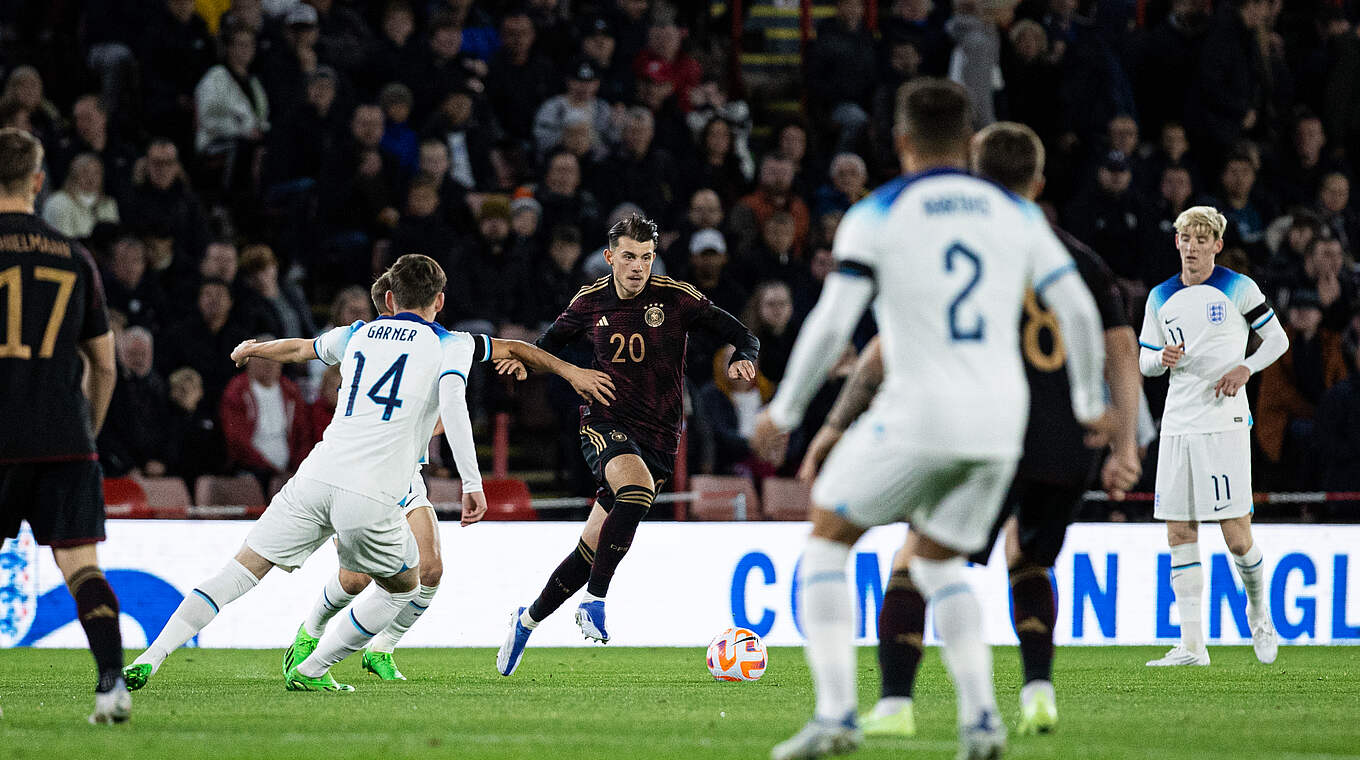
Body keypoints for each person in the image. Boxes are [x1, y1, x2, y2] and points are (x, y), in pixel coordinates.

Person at [749, 80, 1110, 760]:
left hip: (919, 414)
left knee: (827, 539)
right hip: (1001, 425)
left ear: (901, 141)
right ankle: (981, 720)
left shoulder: (877, 213)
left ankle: (836, 715)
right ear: (967, 139)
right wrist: (1091, 402)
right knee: (940, 563)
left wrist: (787, 409)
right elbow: (1082, 312)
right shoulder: (1016, 213)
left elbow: (833, 321)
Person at [122, 257, 612, 692]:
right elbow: (475, 384)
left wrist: (256, 348)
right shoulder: (451, 344)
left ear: (390, 299)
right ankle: (313, 666)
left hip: (316, 475)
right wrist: (472, 481)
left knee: (240, 570)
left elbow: (301, 349)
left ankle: (152, 656)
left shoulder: (357, 332)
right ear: (440, 301)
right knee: (405, 585)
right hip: (372, 489)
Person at [275, 272, 607, 681]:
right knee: (356, 578)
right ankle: (309, 636)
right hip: (362, 474)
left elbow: (510, 349)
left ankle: (381, 648)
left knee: (430, 570)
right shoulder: (368, 347)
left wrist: (568, 372)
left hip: (406, 476)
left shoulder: (440, 345)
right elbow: (308, 356)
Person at [496, 213, 760, 676]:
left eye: (646, 257)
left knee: (590, 551)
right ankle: (595, 601)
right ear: (610, 257)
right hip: (605, 420)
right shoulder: (589, 301)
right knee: (635, 491)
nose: (638, 266)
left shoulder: (676, 298)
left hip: (660, 437)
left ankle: (526, 620)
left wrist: (745, 356)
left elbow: (743, 334)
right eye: (629, 256)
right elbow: (547, 345)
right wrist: (526, 364)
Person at [0, 127, 127, 723]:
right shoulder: (76, 257)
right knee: (81, 568)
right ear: (37, 181)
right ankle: (111, 684)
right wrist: (88, 433)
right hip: (65, 439)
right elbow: (105, 365)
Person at [1139, 205, 1289, 667]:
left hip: (1224, 423)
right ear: (1177, 242)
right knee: (1179, 530)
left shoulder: (1238, 287)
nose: (1192, 247)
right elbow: (1144, 360)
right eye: (1186, 238)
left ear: (1217, 245)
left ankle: (1259, 613)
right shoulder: (1160, 296)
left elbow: (1278, 339)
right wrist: (1160, 358)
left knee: (1236, 536)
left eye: (1202, 240)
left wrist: (1246, 367)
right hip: (1178, 423)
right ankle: (1192, 646)